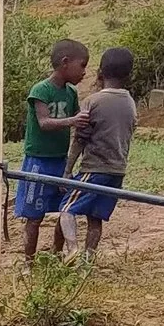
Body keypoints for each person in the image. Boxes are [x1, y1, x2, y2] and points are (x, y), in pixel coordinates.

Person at [64, 45, 137, 261]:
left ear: (101, 72)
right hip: (118, 171)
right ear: (129, 75)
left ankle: (72, 248)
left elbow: (80, 138)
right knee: (95, 217)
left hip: (94, 168)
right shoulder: (130, 103)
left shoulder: (92, 102)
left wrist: (68, 169)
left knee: (67, 208)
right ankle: (89, 259)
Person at [17, 39, 88, 263]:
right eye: (82, 65)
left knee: (64, 208)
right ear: (65, 63)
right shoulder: (41, 90)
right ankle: (28, 262)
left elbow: (79, 120)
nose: (84, 72)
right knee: (33, 216)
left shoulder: (71, 92)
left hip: (61, 161)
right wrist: (74, 121)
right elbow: (44, 123)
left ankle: (57, 256)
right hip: (39, 161)